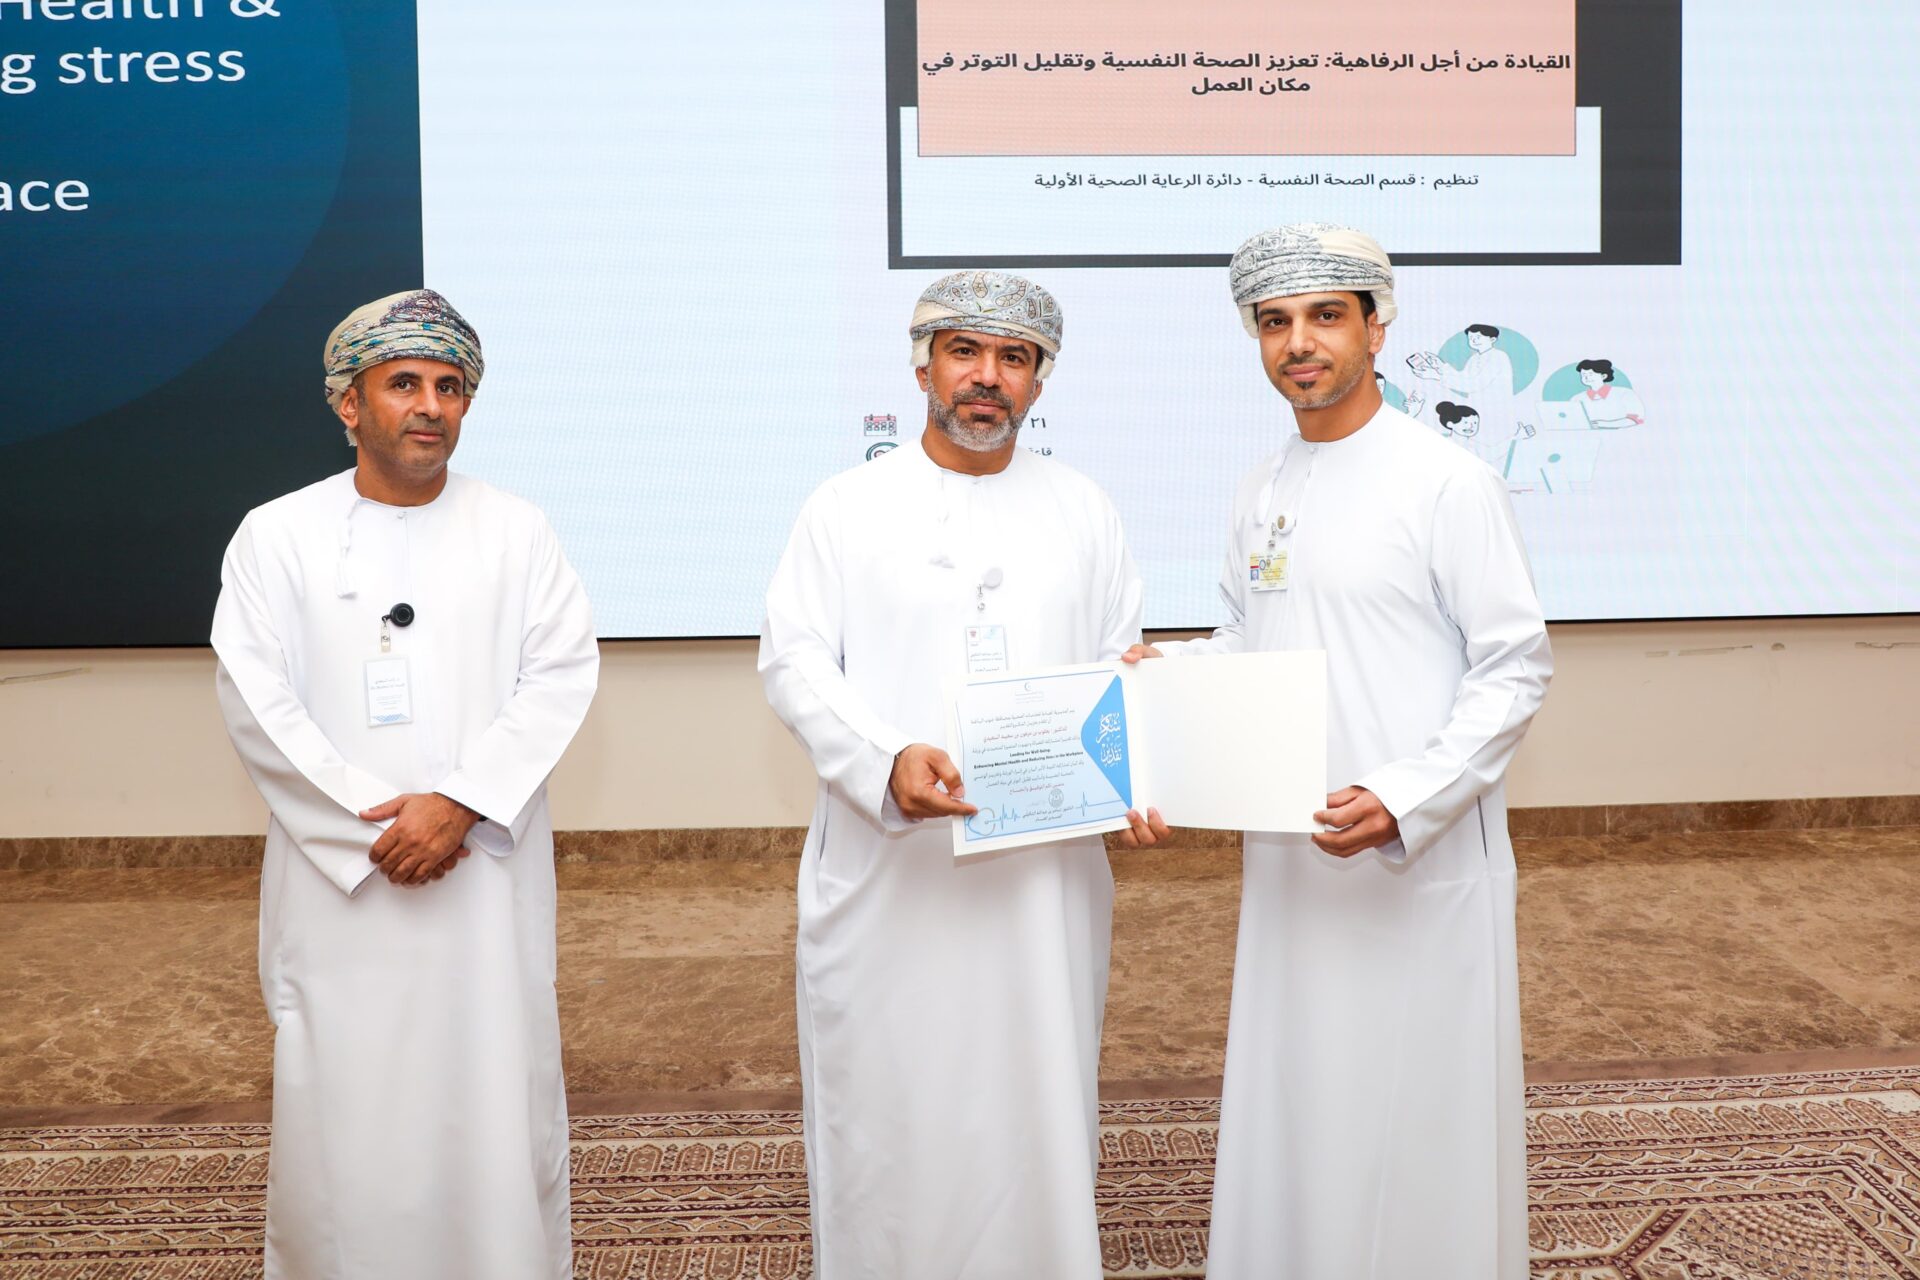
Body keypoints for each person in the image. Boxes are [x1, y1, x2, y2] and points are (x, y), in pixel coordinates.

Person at [1123, 224, 1552, 1278]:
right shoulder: (1261, 486)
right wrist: (1163, 677)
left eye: (1324, 316)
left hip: (1414, 857)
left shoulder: (1446, 482)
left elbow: (1514, 666)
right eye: (1274, 322)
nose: (1298, 343)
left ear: (1377, 325)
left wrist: (1407, 796)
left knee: (1418, 1102)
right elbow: (1249, 636)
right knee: (1305, 1088)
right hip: (1292, 849)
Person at [759, 270, 1159, 1278]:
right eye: (965, 352)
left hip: (1041, 883)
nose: (987, 376)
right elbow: (794, 662)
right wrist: (885, 757)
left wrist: (1143, 765)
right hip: (893, 876)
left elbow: (1117, 669)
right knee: (892, 1101)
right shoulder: (846, 507)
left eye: (1013, 358)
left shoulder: (1084, 509)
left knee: (1036, 1097)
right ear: (923, 365)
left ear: (1039, 381)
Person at [211, 289, 599, 1279]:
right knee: (346, 1100)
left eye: (449, 385)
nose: (430, 405)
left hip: (483, 876)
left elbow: (560, 676)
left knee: (492, 1089)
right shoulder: (275, 534)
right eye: (404, 383)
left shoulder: (517, 529)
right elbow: (256, 700)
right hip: (342, 883)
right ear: (350, 403)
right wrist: (372, 827)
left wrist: (459, 804)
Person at [1575, 357, 1646, 427]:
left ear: (1603, 376)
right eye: (1583, 375)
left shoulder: (1625, 393)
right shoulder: (1577, 398)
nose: (1586, 378)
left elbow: (1636, 419)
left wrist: (1603, 424)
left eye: (1590, 374)